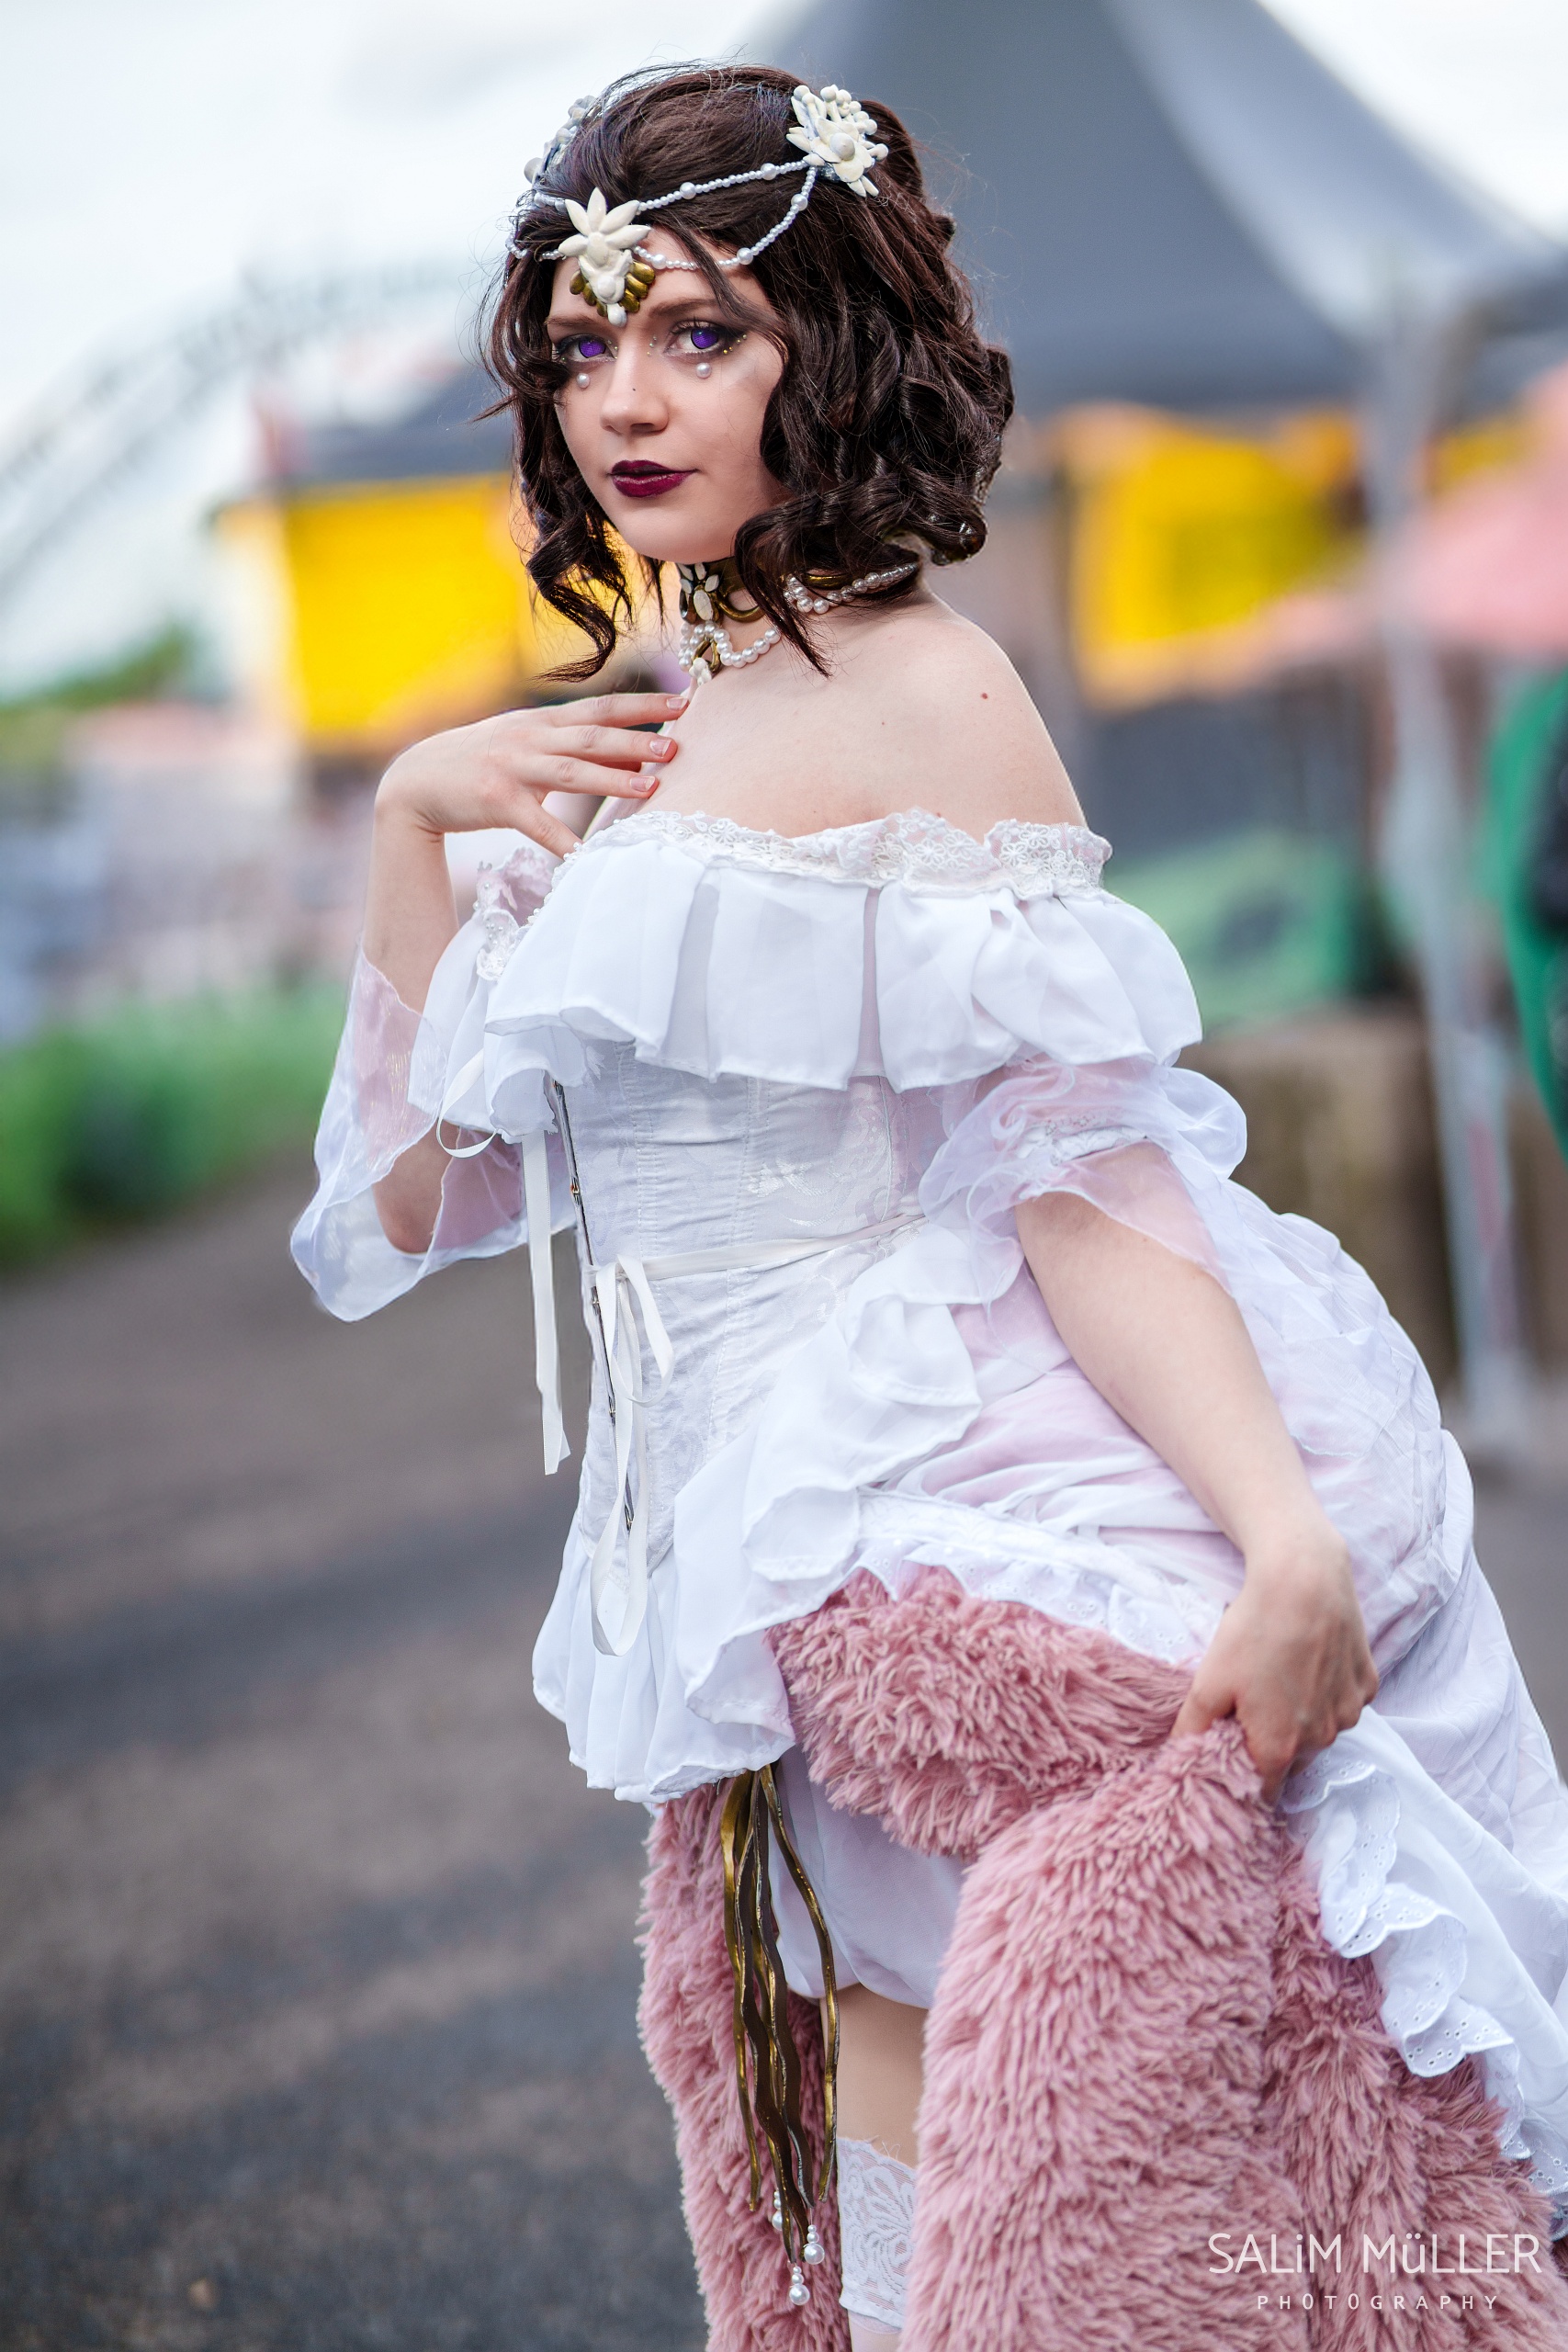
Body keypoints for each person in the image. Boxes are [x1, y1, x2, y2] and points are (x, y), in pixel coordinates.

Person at [293, 64, 1568, 2347]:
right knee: (879, 2182)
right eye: (581, 346)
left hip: (943, 1510)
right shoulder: (636, 727)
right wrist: (411, 819)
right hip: (756, 1581)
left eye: (697, 332)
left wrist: (1278, 1528)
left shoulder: (928, 687)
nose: (625, 400)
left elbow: (1076, 1167)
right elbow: (414, 1194)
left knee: (1099, 2168)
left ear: (832, 346)